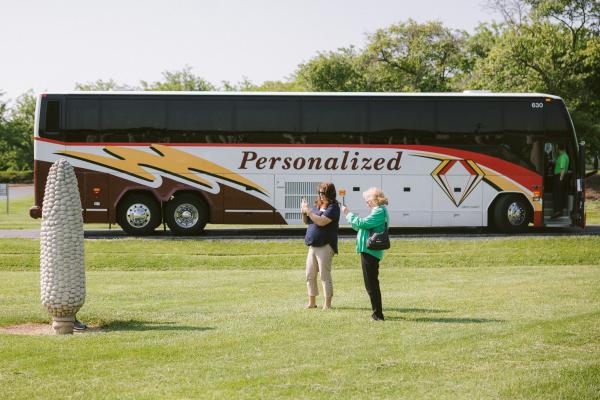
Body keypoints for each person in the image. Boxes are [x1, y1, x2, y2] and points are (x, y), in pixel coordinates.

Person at [342, 187, 389, 321]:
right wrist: (352, 219)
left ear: (375, 199)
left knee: (371, 284)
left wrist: (348, 214)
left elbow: (362, 223)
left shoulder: (379, 211)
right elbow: (361, 226)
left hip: (371, 251)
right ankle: (376, 312)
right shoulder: (377, 210)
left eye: (368, 200)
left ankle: (378, 314)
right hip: (369, 250)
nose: (366, 202)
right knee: (371, 283)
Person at [300, 182, 340, 310]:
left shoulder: (333, 207)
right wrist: (303, 211)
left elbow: (322, 222)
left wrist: (310, 212)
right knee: (310, 274)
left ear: (330, 194)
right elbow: (307, 221)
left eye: (323, 193)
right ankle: (312, 302)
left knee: (324, 275)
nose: (321, 195)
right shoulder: (318, 206)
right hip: (312, 245)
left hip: (326, 245)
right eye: (319, 193)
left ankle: (327, 304)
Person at [552, 144, 570, 218]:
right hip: (561, 176)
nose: (557, 151)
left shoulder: (562, 157)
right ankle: (559, 210)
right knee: (560, 193)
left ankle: (558, 210)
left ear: (559, 149)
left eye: (557, 149)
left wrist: (560, 178)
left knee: (557, 193)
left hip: (559, 176)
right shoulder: (565, 156)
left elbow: (562, 169)